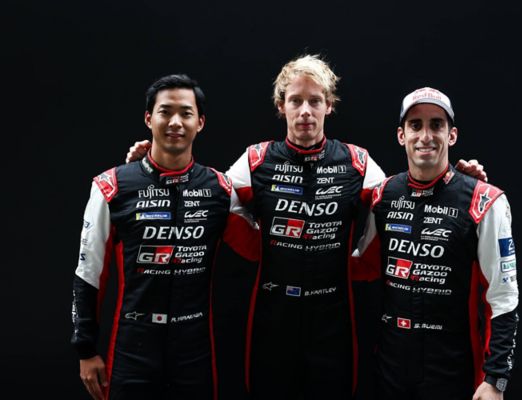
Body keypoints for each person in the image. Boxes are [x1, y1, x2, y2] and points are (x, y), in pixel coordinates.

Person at [126, 56, 486, 399]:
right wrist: (152, 165)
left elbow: (405, 195)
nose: (305, 111)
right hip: (272, 317)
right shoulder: (256, 159)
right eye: (295, 100)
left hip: (332, 320)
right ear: (280, 106)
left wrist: (456, 181)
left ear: (329, 105)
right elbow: (203, 191)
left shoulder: (357, 162)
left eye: (315, 101)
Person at [71, 74, 256, 400]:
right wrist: (85, 348)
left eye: (185, 113)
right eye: (164, 112)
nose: (175, 122)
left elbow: (258, 246)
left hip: (194, 344)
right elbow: (89, 274)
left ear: (200, 123)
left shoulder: (220, 189)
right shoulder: (111, 186)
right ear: (148, 118)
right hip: (133, 343)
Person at [352, 87, 519, 400]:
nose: (425, 135)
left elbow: (503, 296)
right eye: (415, 125)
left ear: (451, 135)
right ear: (401, 135)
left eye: (436, 125)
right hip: (390, 364)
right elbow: (363, 264)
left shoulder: (485, 200)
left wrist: (496, 378)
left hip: (452, 368)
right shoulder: (384, 194)